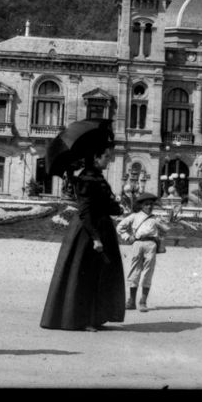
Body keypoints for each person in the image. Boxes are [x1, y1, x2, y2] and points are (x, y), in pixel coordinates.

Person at [40, 137, 126, 331]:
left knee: (99, 274)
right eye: (106, 156)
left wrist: (117, 207)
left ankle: (94, 317)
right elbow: (86, 211)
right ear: (95, 158)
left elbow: (105, 205)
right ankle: (81, 319)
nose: (109, 160)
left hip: (100, 228)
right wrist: (95, 238)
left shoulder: (96, 176)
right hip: (88, 232)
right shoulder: (87, 179)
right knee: (85, 276)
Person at [116, 192, 170, 312]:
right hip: (137, 243)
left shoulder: (155, 218)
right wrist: (127, 237)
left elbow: (166, 230)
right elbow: (120, 227)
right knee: (134, 270)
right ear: (141, 206)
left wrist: (162, 224)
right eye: (146, 204)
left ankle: (143, 302)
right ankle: (131, 301)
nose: (149, 207)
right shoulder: (134, 216)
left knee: (148, 271)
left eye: (151, 204)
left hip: (151, 245)